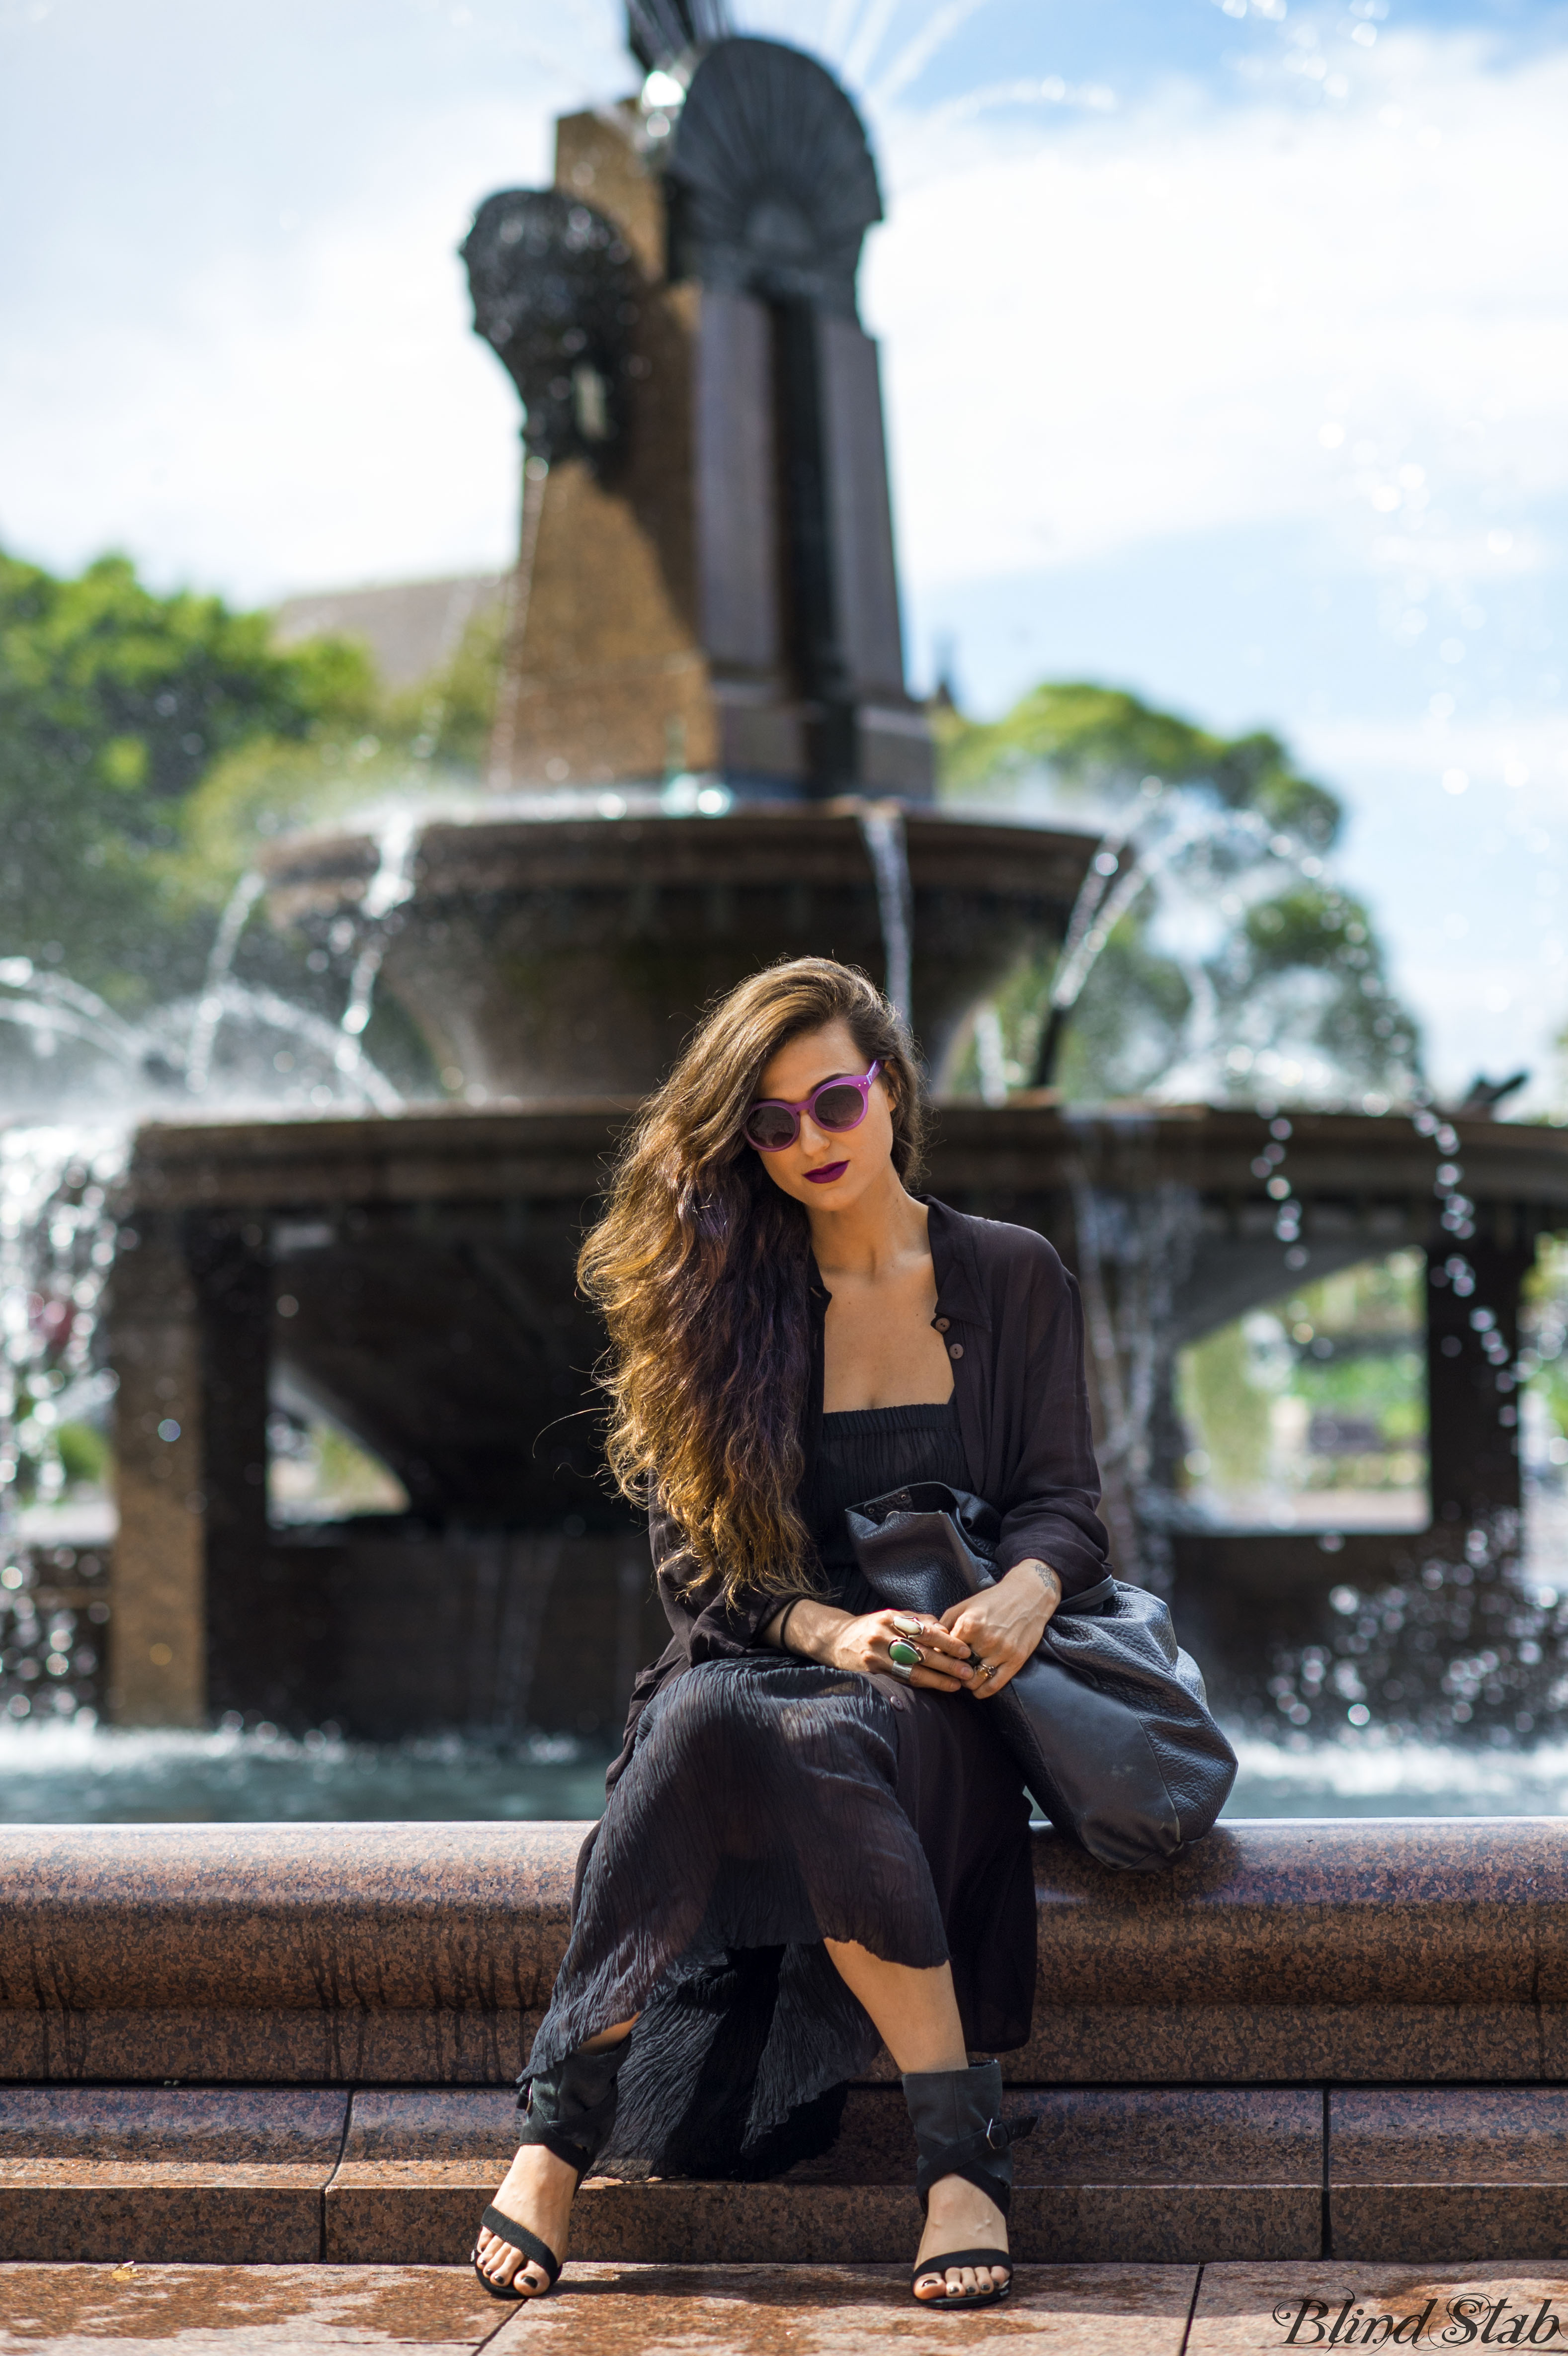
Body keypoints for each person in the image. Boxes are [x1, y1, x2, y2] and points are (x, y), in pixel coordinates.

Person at [472, 956, 1112, 2308]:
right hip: (764, 1652)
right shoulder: (718, 1291)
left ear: (889, 1091)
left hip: (940, 1690)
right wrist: (827, 1630)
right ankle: (957, 2161)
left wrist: (1023, 1592)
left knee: (755, 1731)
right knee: (715, 1710)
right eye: (768, 1122)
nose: (807, 1140)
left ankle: (550, 2135)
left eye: (831, 1100)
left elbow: (1064, 1503)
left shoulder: (1009, 1274)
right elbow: (694, 1566)